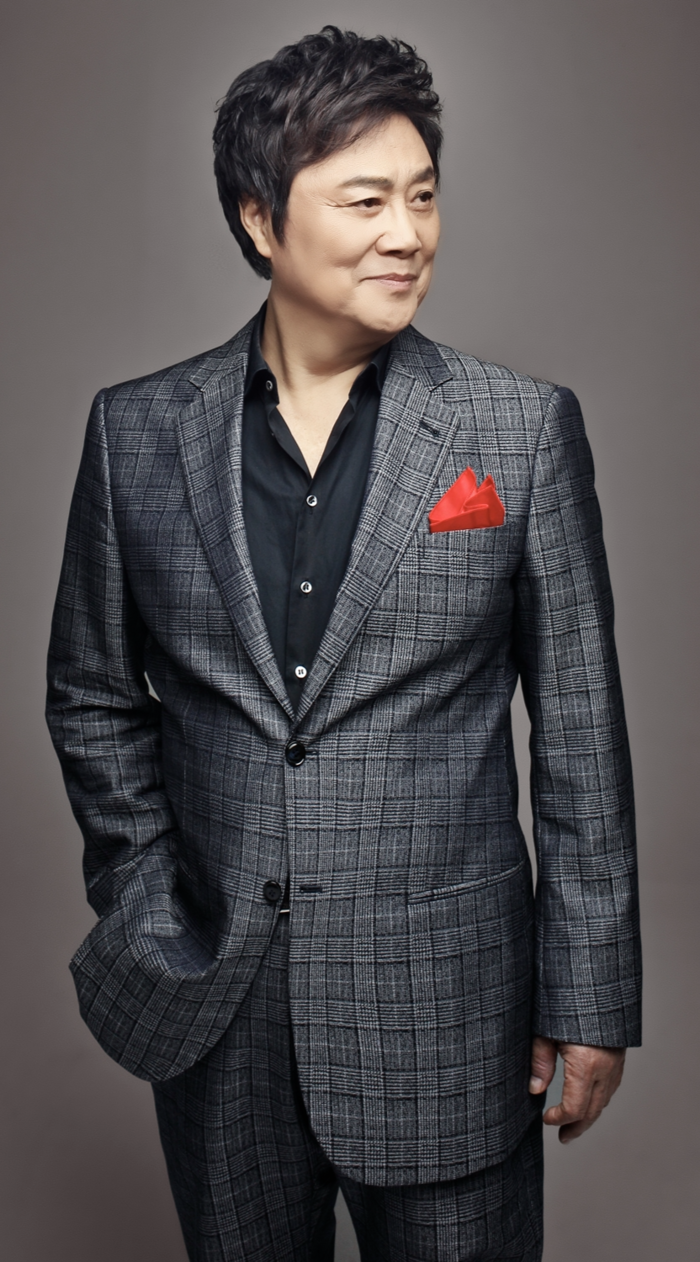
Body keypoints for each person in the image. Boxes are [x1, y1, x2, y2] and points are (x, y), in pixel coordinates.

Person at [46, 26, 641, 1262]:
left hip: (450, 1013)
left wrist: (589, 996)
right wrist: (148, 902)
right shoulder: (136, 433)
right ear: (260, 219)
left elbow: (580, 731)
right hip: (217, 1007)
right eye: (366, 200)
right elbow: (93, 694)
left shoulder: (518, 429)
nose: (407, 233)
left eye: (423, 196)